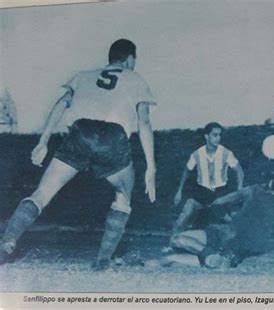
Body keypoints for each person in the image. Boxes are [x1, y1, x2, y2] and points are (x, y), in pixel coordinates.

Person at [0, 39, 157, 270]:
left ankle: (7, 242)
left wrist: (43, 142)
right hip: (112, 137)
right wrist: (151, 167)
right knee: (123, 198)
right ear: (130, 59)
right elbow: (144, 122)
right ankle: (102, 261)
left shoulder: (83, 75)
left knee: (42, 193)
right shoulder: (135, 78)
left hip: (79, 133)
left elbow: (60, 105)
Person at [162, 182, 274, 269]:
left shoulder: (254, 191)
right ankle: (210, 256)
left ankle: (206, 254)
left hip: (223, 232)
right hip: (237, 251)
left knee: (177, 239)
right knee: (180, 258)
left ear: (270, 184)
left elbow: (220, 201)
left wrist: (217, 209)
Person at [172, 122, 244, 233]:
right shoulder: (197, 154)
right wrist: (179, 191)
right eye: (215, 135)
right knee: (186, 210)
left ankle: (238, 240)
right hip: (202, 191)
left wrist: (239, 193)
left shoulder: (226, 153)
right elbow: (186, 170)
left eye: (220, 135)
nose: (218, 138)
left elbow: (239, 171)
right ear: (206, 136)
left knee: (227, 217)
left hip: (221, 191)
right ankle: (172, 243)